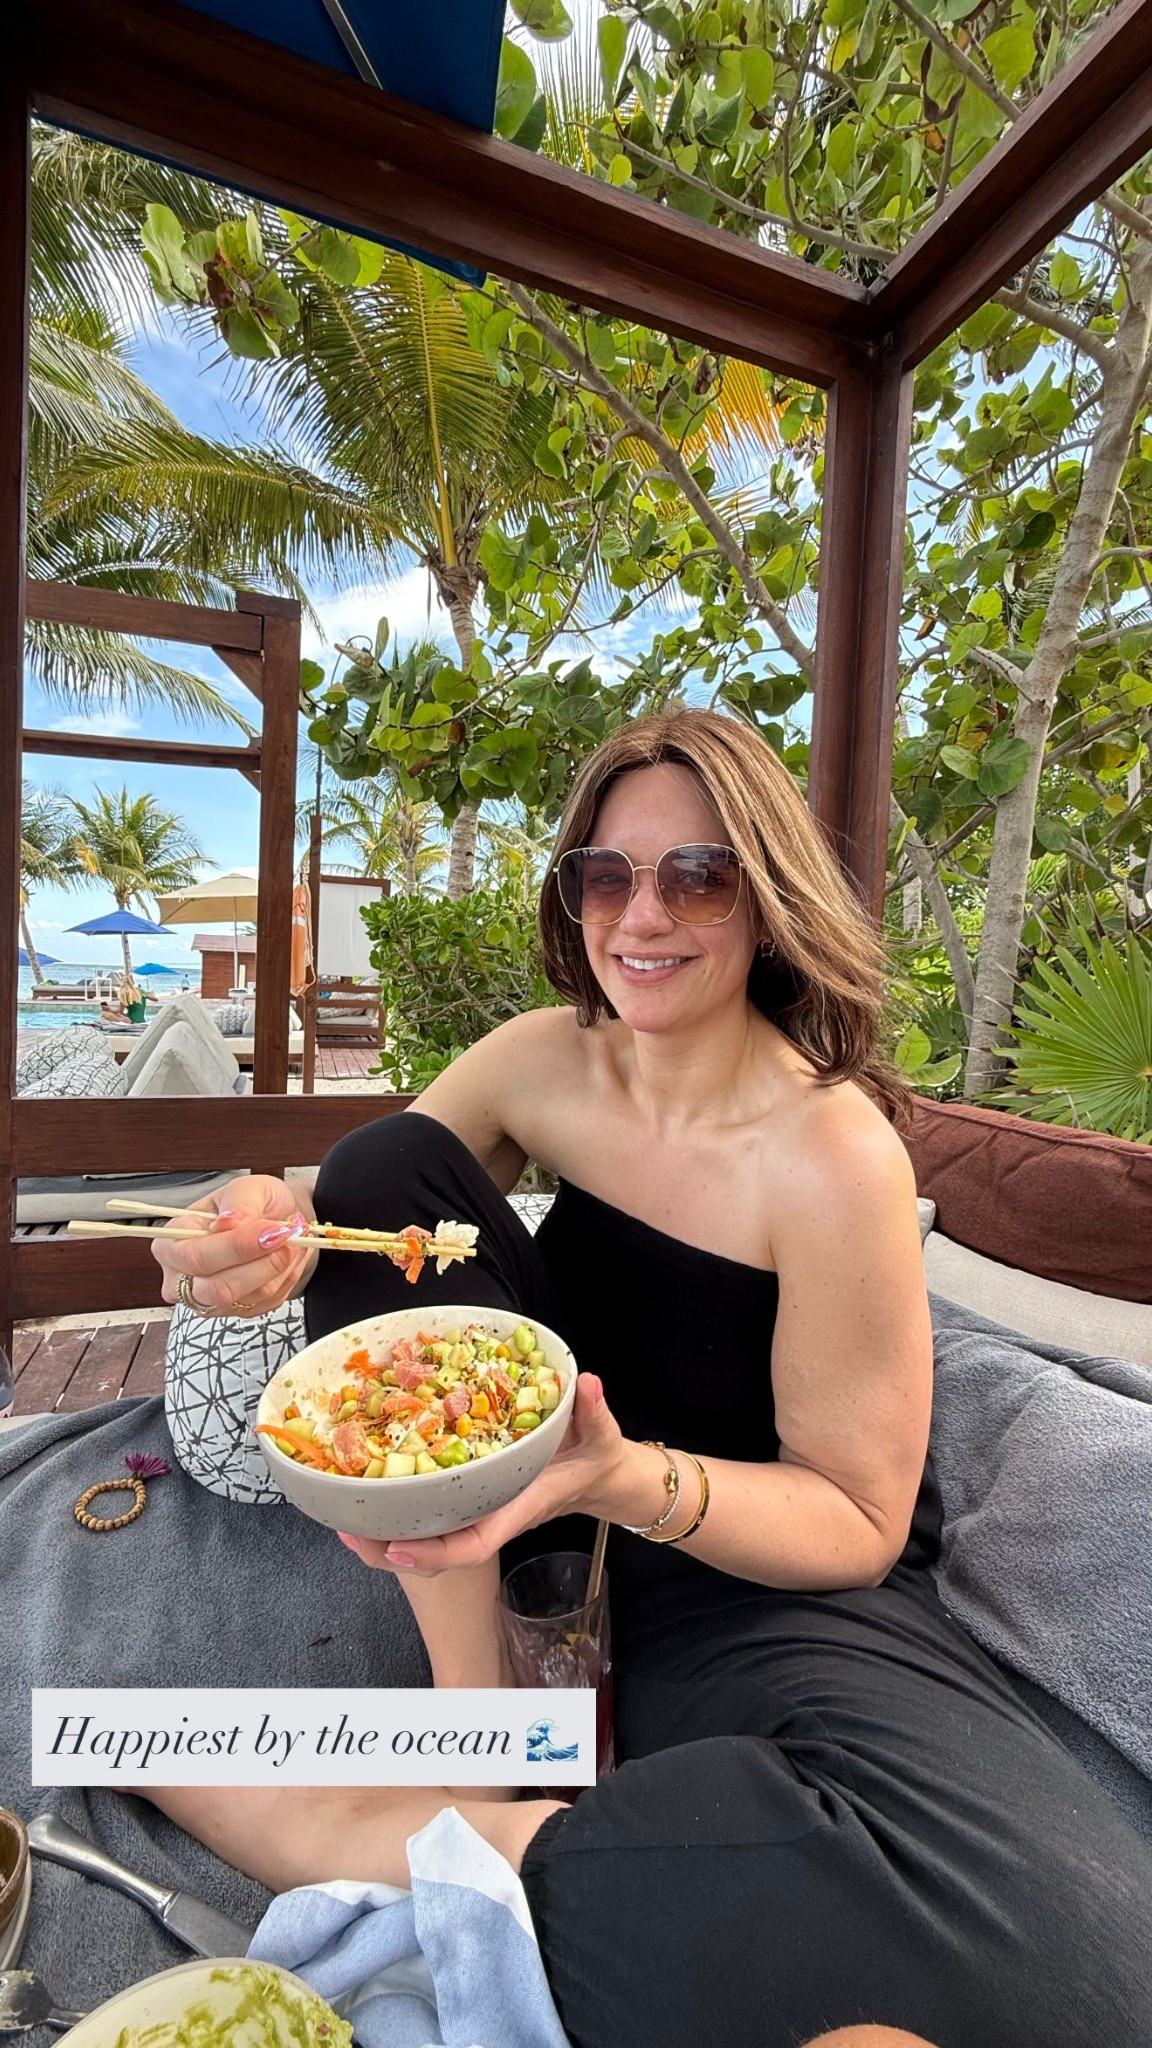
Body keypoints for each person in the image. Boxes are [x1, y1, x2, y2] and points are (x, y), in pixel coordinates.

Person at [150, 711, 1152, 2048]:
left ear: (768, 899)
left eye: (699, 875)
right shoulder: (541, 1061)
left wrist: (622, 1479)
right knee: (378, 1162)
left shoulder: (831, 1154)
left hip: (739, 1580)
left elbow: (859, 1521)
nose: (643, 916)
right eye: (606, 875)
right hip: (528, 1533)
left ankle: (414, 1832)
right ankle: (480, 1733)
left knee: (1041, 1955)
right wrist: (262, 1231)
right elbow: (374, 1233)